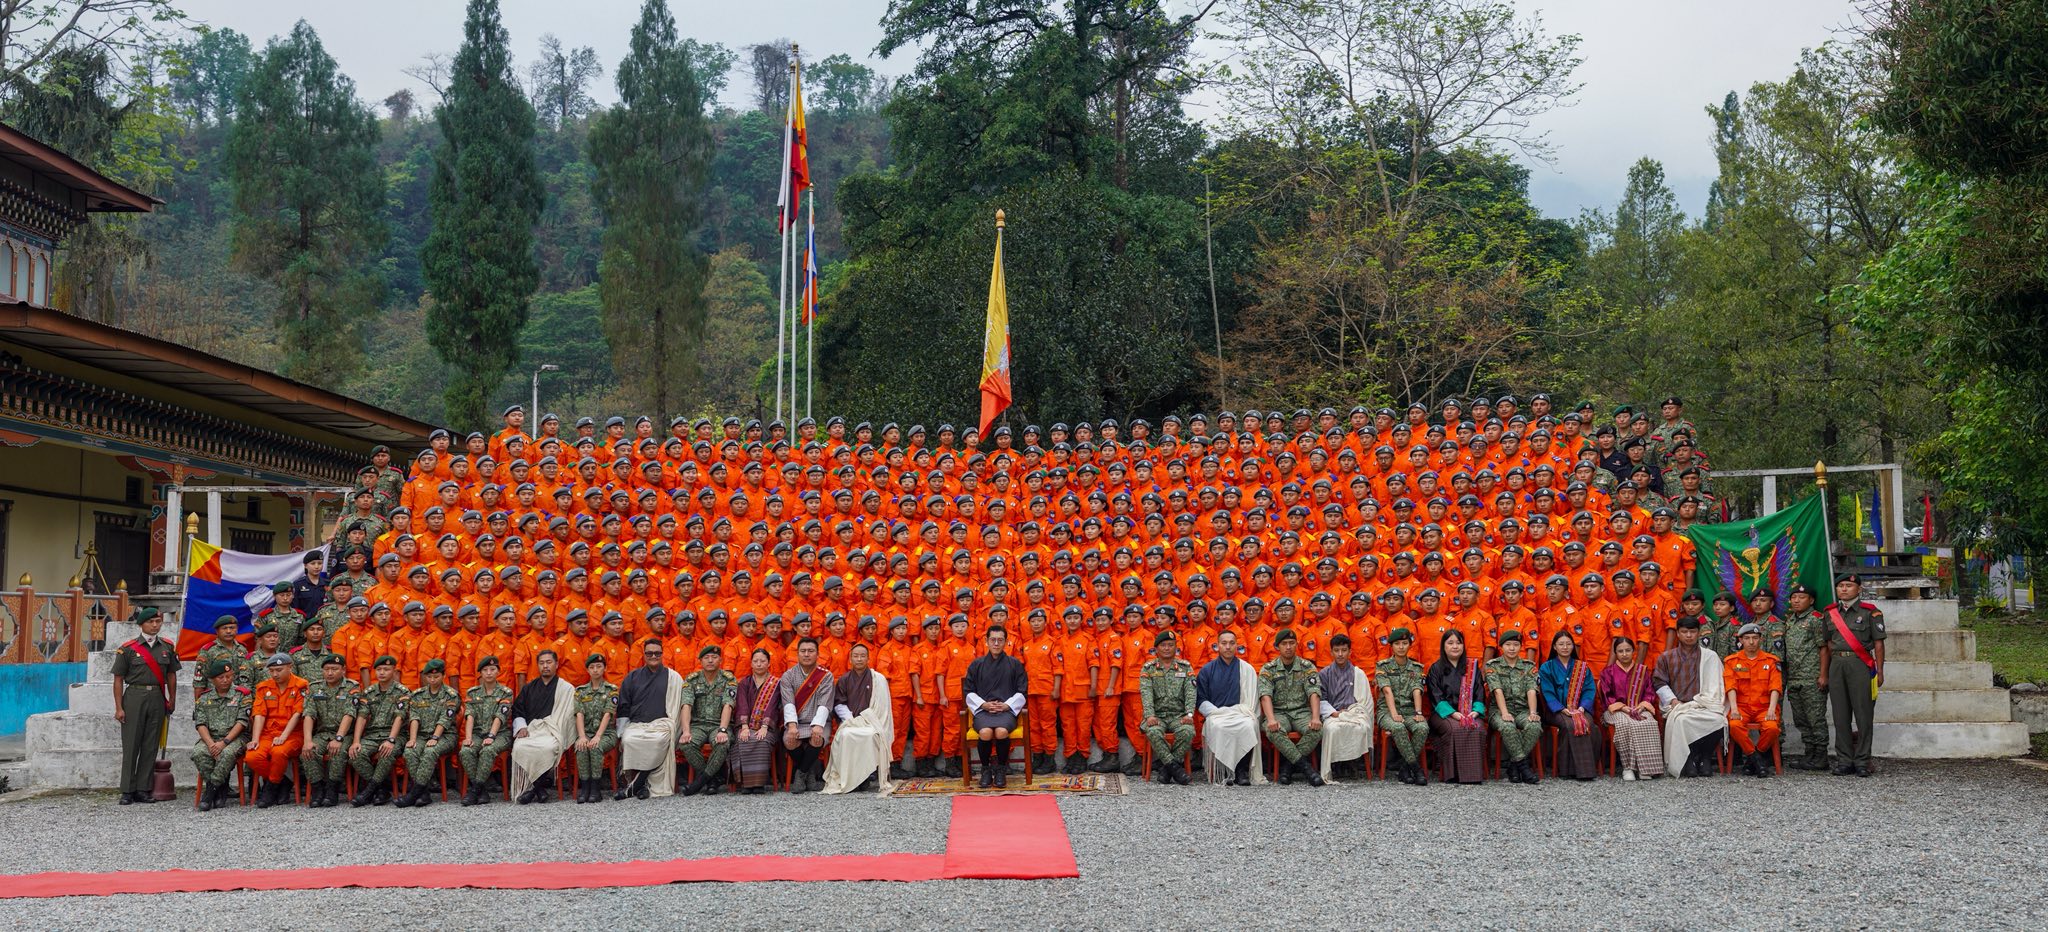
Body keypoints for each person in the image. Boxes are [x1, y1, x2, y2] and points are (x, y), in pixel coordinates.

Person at [111, 606, 179, 804]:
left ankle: (143, 788)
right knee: (131, 744)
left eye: (158, 622)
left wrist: (172, 698)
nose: (155, 625)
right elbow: (118, 679)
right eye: (151, 622)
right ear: (141, 624)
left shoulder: (167, 646)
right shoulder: (128, 648)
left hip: (157, 696)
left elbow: (171, 674)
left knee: (151, 745)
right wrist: (118, 707)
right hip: (134, 696)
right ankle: (127, 790)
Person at [1820, 574, 1886, 777]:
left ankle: (1863, 761)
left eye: (1849, 586)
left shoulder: (1870, 612)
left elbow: (1878, 643)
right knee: (1840, 716)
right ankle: (1844, 760)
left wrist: (1880, 671)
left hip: (1861, 665)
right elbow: (1827, 643)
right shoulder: (1830, 613)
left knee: (1863, 715)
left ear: (1859, 589)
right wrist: (1825, 672)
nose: (1844, 589)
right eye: (1840, 586)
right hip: (1837, 664)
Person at [1654, 617, 1727, 777]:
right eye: (1684, 632)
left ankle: (1705, 756)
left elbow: (1718, 685)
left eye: (1692, 632)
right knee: (1682, 720)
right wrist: (1673, 701)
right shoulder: (1666, 657)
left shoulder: (1710, 656)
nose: (1689, 635)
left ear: (1698, 633)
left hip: (1705, 704)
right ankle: (1690, 757)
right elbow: (1659, 683)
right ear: (1678, 634)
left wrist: (1703, 702)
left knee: (1718, 719)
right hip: (1678, 705)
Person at [614, 638, 686, 799]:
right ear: (644, 655)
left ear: (662, 654)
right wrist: (621, 731)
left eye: (657, 653)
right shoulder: (632, 677)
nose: (654, 656)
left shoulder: (673, 677)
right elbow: (624, 705)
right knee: (629, 740)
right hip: (637, 725)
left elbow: (681, 707)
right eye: (649, 653)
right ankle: (641, 786)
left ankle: (637, 785)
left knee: (659, 741)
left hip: (663, 725)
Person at [822, 643, 897, 793]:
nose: (859, 659)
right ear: (850, 659)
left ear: (869, 658)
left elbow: (883, 707)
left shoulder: (878, 679)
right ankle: (850, 777)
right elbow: (839, 703)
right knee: (845, 734)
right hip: (851, 721)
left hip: (873, 722)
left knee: (870, 735)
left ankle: (866, 775)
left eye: (863, 656)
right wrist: (851, 720)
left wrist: (867, 720)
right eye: (856, 656)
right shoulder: (844, 679)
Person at [959, 626, 1027, 788]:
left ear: (1006, 642)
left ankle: (1001, 769)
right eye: (993, 640)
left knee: (1001, 731)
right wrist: (984, 704)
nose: (996, 643)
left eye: (1000, 640)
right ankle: (986, 769)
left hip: (1006, 711)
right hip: (983, 711)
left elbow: (1022, 691)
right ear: (986, 641)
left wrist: (1006, 705)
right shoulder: (977, 665)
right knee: (986, 732)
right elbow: (968, 691)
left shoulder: (1015, 664)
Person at [508, 650, 576, 804]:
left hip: (554, 731)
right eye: (541, 663)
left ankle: (532, 789)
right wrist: (521, 728)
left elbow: (568, 716)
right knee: (520, 746)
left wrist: (556, 731)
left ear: (557, 664)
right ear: (537, 666)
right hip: (532, 730)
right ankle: (538, 789)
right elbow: (518, 709)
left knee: (549, 747)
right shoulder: (529, 688)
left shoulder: (566, 689)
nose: (545, 666)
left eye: (549, 662)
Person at [1196, 630, 1263, 785]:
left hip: (1241, 713)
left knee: (1249, 724)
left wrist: (1234, 712)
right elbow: (1200, 699)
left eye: (1231, 643)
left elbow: (1252, 701)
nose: (1228, 647)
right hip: (1216, 714)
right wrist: (1217, 712)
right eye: (1224, 643)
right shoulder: (1207, 670)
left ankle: (1241, 770)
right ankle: (1223, 770)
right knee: (1217, 726)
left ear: (1237, 645)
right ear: (1217, 646)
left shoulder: (1247, 669)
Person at [1258, 628, 1325, 786]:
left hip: (1301, 711)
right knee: (1273, 729)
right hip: (1279, 712)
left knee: (1317, 729)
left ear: (1297, 645)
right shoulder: (1269, 669)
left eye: (1291, 643)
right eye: (1284, 644)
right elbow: (1265, 696)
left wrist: (1315, 717)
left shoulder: (1306, 666)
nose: (1288, 647)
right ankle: (1306, 768)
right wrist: (1271, 719)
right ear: (1277, 647)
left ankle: (1288, 768)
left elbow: (1314, 692)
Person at [1778, 583, 1832, 770]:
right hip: (1794, 677)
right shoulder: (1790, 620)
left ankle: (1821, 756)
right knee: (1801, 719)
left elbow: (1824, 648)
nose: (1796, 601)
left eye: (1801, 597)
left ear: (1811, 600)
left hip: (1812, 677)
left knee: (1815, 718)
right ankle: (1809, 754)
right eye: (1793, 598)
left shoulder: (1816, 619)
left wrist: (1823, 674)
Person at [244, 653, 308, 808]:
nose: (275, 674)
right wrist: (255, 739)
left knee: (279, 753)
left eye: (279, 670)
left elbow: (297, 714)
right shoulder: (263, 687)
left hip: (292, 734)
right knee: (252, 757)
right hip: (268, 733)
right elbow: (259, 714)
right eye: (272, 671)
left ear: (290, 667)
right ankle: (283, 782)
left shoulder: (301, 685)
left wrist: (284, 736)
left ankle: (270, 789)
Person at [396, 658, 460, 807]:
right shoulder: (417, 695)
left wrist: (435, 737)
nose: (432, 680)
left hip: (445, 735)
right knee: (410, 751)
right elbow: (414, 717)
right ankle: (424, 793)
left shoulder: (451, 695)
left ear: (443, 675)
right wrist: (412, 739)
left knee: (430, 752)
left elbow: (446, 719)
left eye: (436, 676)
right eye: (429, 677)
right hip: (421, 735)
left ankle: (414, 793)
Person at [1425, 630, 1487, 784]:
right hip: (1443, 714)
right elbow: (1435, 696)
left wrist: (1475, 712)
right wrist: (1454, 714)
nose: (1455, 646)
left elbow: (1480, 692)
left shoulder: (1472, 667)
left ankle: (1473, 775)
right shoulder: (1436, 669)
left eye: (1458, 643)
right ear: (1443, 646)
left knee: (1477, 727)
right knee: (1455, 728)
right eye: (1450, 643)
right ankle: (1453, 773)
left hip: (1470, 712)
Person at [1598, 636, 1665, 780]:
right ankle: (1628, 767)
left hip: (1639, 708)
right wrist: (1623, 708)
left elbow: (1649, 692)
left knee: (1649, 722)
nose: (1624, 654)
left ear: (1633, 651)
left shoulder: (1642, 671)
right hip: (1616, 710)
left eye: (1628, 650)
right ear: (1615, 653)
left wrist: (1642, 706)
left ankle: (1646, 768)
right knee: (1625, 723)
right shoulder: (1608, 672)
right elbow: (1606, 695)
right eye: (1620, 651)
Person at [1538, 631, 1600, 781]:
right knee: (1570, 724)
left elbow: (1589, 690)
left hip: (1580, 708)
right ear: (1554, 647)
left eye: (1568, 644)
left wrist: (1582, 707)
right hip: (1557, 710)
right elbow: (1547, 691)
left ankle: (1584, 770)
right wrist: (1561, 708)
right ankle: (1566, 769)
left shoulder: (1582, 667)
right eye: (1561, 644)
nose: (1565, 647)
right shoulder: (1547, 668)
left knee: (1587, 723)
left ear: (1573, 646)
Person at [348, 654, 409, 806]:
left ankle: (369, 791)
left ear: (394, 671)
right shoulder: (369, 693)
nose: (382, 673)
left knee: (386, 753)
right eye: (379, 669)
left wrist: (391, 740)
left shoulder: (403, 692)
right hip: (372, 735)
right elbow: (361, 717)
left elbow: (399, 717)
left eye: (386, 669)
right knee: (355, 754)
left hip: (395, 735)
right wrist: (356, 741)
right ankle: (381, 790)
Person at [189, 660, 249, 812]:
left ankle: (209, 793)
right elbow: (200, 724)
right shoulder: (204, 698)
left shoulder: (242, 695)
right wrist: (211, 744)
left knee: (227, 754)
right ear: (212, 680)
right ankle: (220, 788)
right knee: (199, 753)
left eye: (228, 676)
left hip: (235, 738)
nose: (225, 680)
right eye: (221, 677)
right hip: (211, 738)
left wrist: (224, 742)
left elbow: (242, 722)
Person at [1725, 623, 1784, 778]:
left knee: (1772, 728)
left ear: (1760, 640)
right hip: (1742, 706)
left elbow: (1775, 687)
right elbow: (1730, 687)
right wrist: (1734, 709)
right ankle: (1757, 759)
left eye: (1755, 638)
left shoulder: (1771, 661)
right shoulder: (1732, 661)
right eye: (1747, 638)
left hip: (1764, 706)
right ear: (1741, 640)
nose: (1751, 642)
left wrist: (1772, 709)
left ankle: (1753, 759)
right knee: (1734, 725)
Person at [299, 652, 358, 807]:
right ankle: (318, 790)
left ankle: (333, 790)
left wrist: (338, 738)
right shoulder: (315, 688)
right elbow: (309, 715)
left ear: (343, 670)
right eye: (326, 669)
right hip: (323, 733)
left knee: (337, 752)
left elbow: (349, 714)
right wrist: (307, 741)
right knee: (309, 752)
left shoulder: (352, 687)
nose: (330, 673)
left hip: (345, 734)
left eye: (334, 669)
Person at [1138, 631, 1196, 786]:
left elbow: (1191, 693)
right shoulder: (1148, 668)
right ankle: (1176, 769)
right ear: (1156, 648)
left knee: (1188, 731)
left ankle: (1167, 769)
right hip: (1157, 716)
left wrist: (1189, 714)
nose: (1166, 648)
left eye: (1170, 645)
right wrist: (1150, 715)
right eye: (1163, 645)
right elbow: (1146, 694)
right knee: (1153, 732)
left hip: (1179, 715)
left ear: (1176, 647)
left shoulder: (1185, 667)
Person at [677, 644, 736, 797]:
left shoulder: (728, 680)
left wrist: (723, 730)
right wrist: (686, 731)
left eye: (714, 657)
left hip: (719, 724)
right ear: (701, 661)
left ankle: (699, 782)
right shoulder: (692, 680)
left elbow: (728, 705)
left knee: (722, 743)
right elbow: (686, 705)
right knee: (686, 743)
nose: (710, 660)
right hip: (698, 725)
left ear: (720, 660)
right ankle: (712, 780)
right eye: (706, 658)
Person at [780, 637, 837, 793]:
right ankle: (809, 773)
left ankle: (800, 774)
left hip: (819, 721)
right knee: (789, 740)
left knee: (816, 738)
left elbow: (824, 703)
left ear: (817, 654)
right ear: (797, 654)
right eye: (803, 651)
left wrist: (818, 725)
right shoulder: (788, 676)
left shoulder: (825, 676)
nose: (806, 654)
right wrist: (792, 725)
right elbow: (788, 703)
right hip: (797, 721)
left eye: (810, 651)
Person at [1375, 627, 1431, 785]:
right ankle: (1415, 768)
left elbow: (1417, 691)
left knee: (1422, 728)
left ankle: (1405, 769)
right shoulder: (1382, 666)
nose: (1401, 647)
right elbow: (1386, 691)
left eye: (1405, 643)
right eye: (1397, 643)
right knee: (1398, 727)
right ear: (1391, 646)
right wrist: (1393, 714)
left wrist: (1418, 712)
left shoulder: (1416, 668)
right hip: (1387, 711)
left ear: (1410, 645)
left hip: (1408, 710)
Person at [1485, 632, 1542, 784]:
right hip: (1499, 710)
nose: (1512, 648)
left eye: (1516, 645)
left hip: (1523, 710)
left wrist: (1532, 713)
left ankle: (1513, 765)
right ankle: (1523, 767)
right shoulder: (1493, 666)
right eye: (1508, 645)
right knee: (1508, 727)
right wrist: (1504, 713)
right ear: (1501, 646)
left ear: (1520, 647)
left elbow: (1531, 690)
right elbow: (1497, 690)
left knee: (1534, 725)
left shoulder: (1528, 666)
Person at [1316, 634, 1374, 783]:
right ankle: (1336, 765)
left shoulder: (1358, 673)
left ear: (1350, 652)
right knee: (1333, 729)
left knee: (1360, 727)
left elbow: (1364, 701)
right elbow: (1320, 699)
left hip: (1354, 713)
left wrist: (1352, 713)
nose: (1340, 654)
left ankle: (1353, 762)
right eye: (1337, 650)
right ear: (1331, 652)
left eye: (1344, 650)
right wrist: (1334, 713)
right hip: (1333, 714)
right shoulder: (1324, 674)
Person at [458, 655, 514, 806]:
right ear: (480, 673)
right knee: (466, 750)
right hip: (477, 733)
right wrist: (468, 737)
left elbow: (500, 716)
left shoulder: (505, 692)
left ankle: (475, 790)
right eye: (485, 670)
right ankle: (482, 791)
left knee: (488, 750)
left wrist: (491, 735)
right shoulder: (472, 693)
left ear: (498, 672)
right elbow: (469, 716)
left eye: (492, 669)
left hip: (500, 734)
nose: (489, 672)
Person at [731, 648, 783, 793]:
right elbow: (742, 705)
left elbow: (773, 707)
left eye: (762, 661)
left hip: (768, 727)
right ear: (751, 664)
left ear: (769, 663)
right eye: (756, 661)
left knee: (762, 740)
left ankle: (758, 783)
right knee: (743, 739)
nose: (759, 664)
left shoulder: (776, 683)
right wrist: (745, 726)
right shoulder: (744, 683)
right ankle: (746, 784)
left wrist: (765, 726)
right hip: (746, 725)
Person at [570, 653, 619, 803]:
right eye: (592, 667)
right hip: (587, 731)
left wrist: (598, 736)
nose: (595, 670)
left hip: (607, 733)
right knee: (581, 746)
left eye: (599, 666)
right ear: (587, 670)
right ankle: (585, 788)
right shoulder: (580, 691)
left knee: (595, 747)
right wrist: (582, 736)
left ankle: (595, 789)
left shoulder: (612, 689)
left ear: (604, 668)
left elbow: (608, 714)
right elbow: (579, 714)